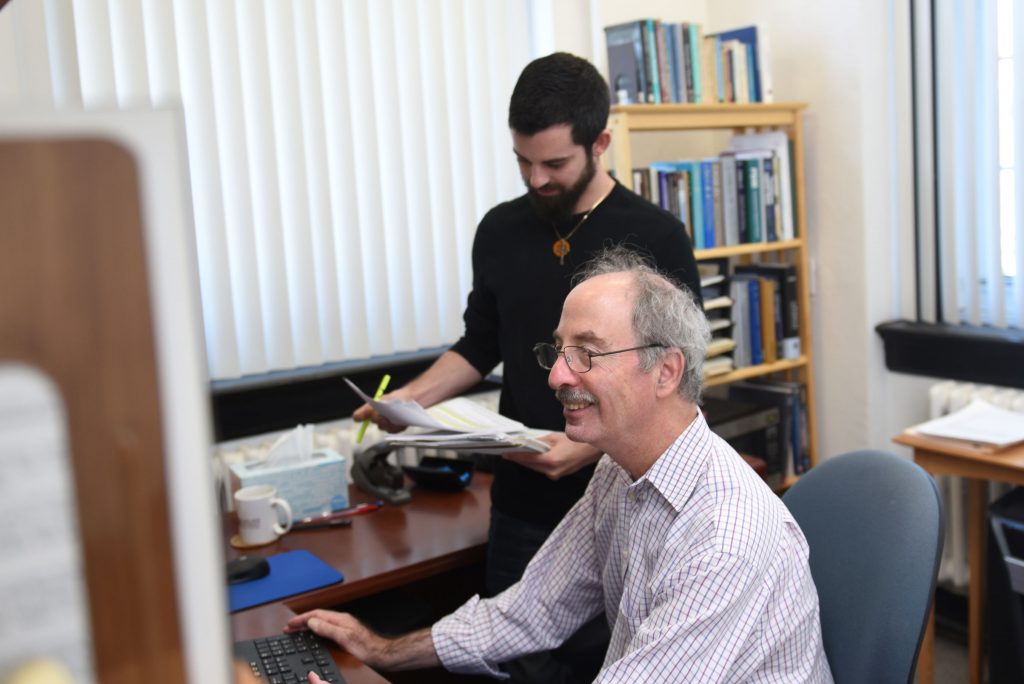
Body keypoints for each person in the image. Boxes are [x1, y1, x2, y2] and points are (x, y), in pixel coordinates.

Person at [298, 248, 831, 683]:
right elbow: (531, 611)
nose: (556, 377)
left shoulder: (723, 537)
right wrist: (382, 649)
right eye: (558, 351)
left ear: (666, 371)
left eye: (588, 354)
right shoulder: (620, 470)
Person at [353, 52, 701, 680]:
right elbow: (479, 343)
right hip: (520, 498)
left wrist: (585, 451)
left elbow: (677, 387)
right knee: (513, 661)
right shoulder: (499, 230)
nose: (536, 178)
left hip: (616, 492)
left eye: (555, 163)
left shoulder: (657, 236)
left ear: (600, 143)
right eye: (523, 161)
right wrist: (408, 400)